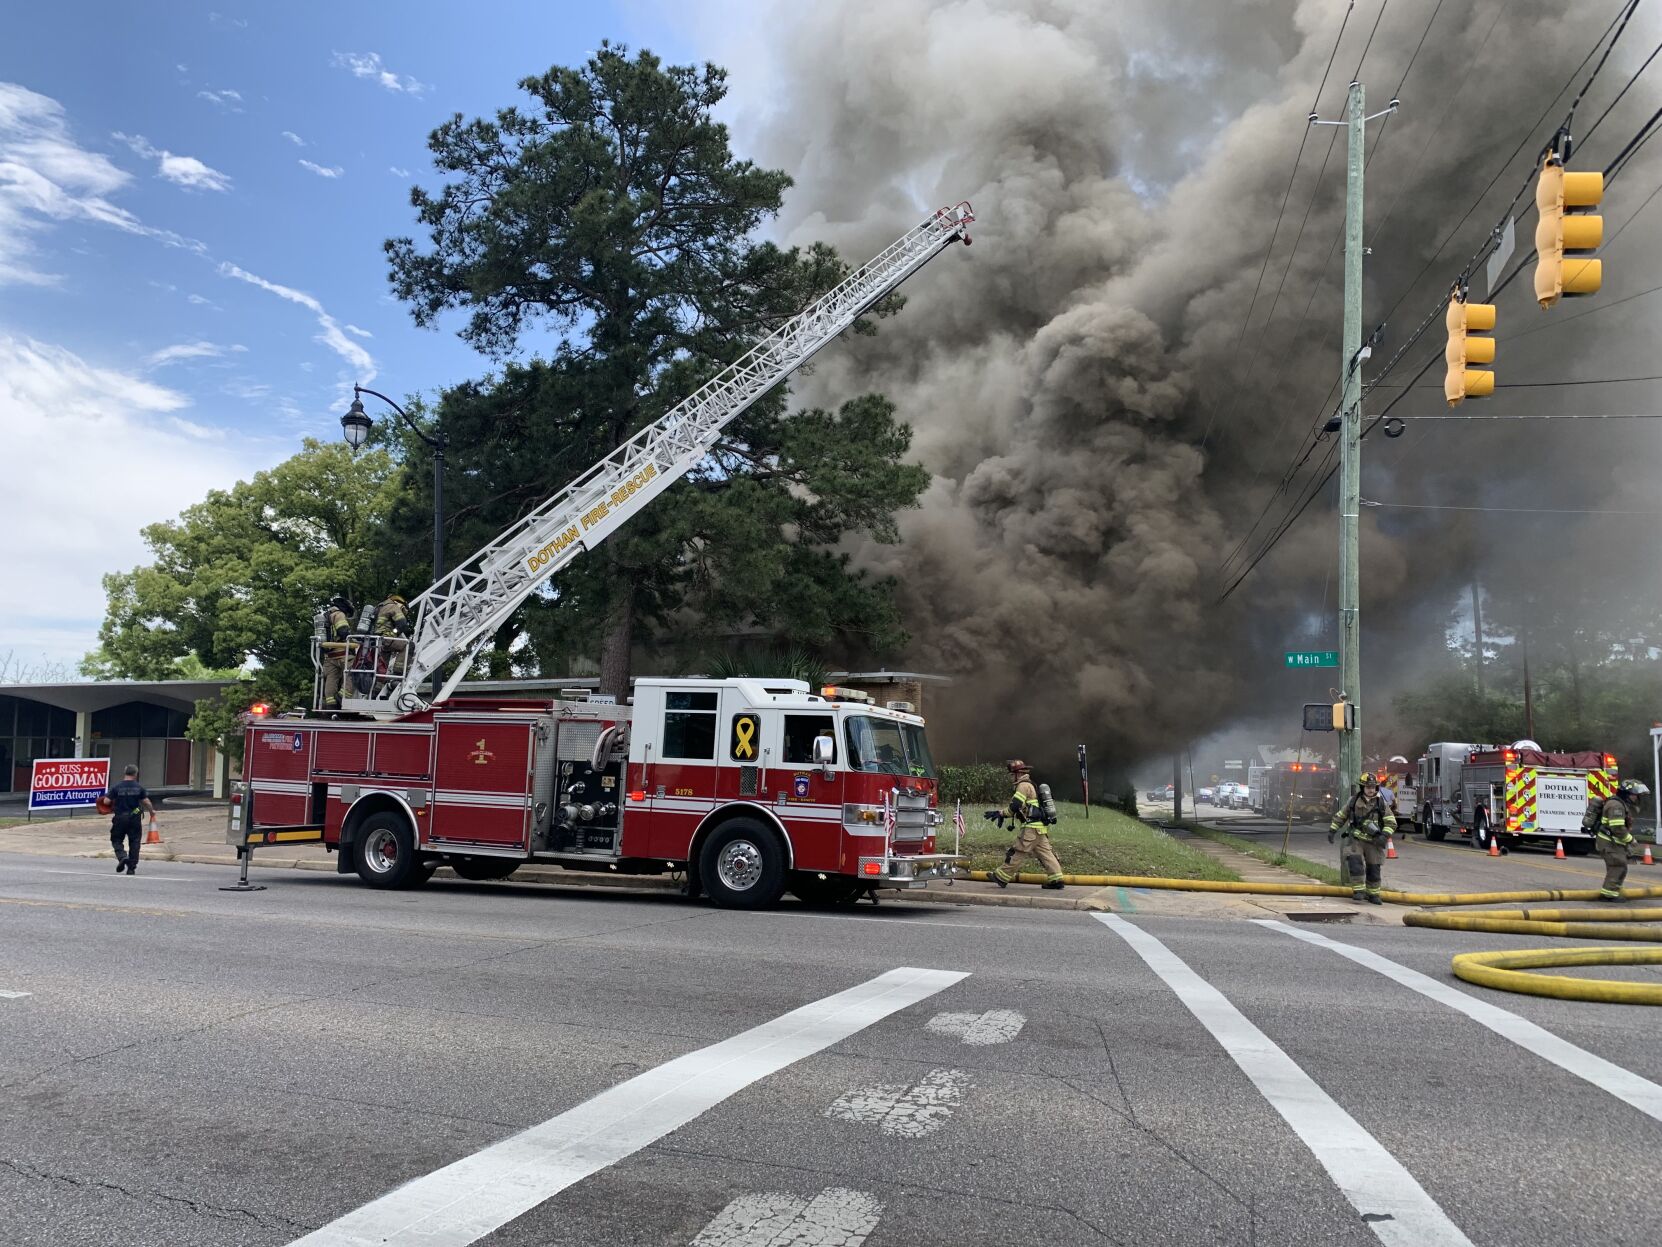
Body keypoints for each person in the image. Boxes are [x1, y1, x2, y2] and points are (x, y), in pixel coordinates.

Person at [991, 760, 1065, 891]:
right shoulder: (1031, 784)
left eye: (1011, 775)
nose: (1010, 777)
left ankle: (1001, 877)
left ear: (1018, 774)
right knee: (1046, 854)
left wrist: (1001, 814)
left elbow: (1015, 806)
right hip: (1039, 827)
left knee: (1017, 851)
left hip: (1031, 827)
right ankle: (1056, 879)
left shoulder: (1023, 785)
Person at [1329, 771, 1397, 904]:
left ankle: (1373, 894)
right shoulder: (1353, 801)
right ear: (1362, 787)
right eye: (1368, 787)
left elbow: (1391, 822)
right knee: (1355, 864)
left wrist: (1384, 835)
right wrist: (1332, 830)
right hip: (1356, 839)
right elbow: (1341, 816)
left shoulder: (1381, 803)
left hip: (1374, 841)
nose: (1371, 790)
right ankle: (1358, 891)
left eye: (1373, 787)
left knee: (1374, 868)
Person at [1586, 780, 1642, 902]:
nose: (1636, 798)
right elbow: (1617, 827)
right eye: (1634, 795)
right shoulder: (1616, 806)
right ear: (1627, 794)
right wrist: (1630, 840)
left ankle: (1612, 891)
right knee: (1618, 866)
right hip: (1608, 842)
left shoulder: (1619, 804)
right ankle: (1608, 895)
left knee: (1618, 866)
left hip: (1612, 842)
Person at [106, 764, 155, 876]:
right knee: (135, 842)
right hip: (134, 818)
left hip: (120, 818)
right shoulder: (139, 787)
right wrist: (152, 812)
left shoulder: (116, 787)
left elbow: (106, 802)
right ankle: (131, 868)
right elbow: (146, 802)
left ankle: (123, 857)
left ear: (125, 773)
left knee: (116, 839)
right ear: (135, 774)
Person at [319, 595, 353, 710]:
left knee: (331, 679)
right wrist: (354, 639)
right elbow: (343, 631)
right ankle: (341, 697)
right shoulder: (339, 614)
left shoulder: (325, 616)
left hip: (329, 656)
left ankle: (330, 705)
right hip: (343, 654)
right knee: (354, 672)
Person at [371, 594, 413, 676]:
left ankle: (377, 686)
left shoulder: (379, 607)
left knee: (383, 667)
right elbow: (402, 624)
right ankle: (399, 671)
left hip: (377, 640)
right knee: (409, 645)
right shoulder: (393, 606)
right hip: (386, 638)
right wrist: (395, 633)